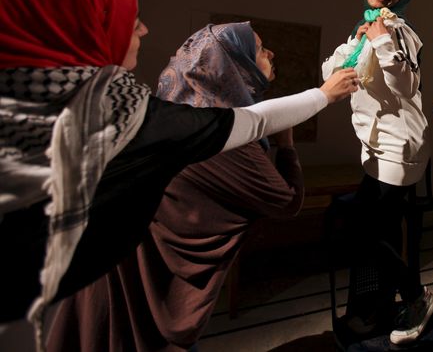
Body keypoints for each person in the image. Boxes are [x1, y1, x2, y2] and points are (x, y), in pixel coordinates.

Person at [0, 0, 358, 348]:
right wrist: (319, 102)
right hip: (110, 292)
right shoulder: (144, 121)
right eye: (130, 19)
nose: (144, 29)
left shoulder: (118, 103)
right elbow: (274, 174)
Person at [45, 21, 321, 351]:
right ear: (236, 64)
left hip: (112, 258)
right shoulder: (222, 135)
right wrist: (287, 145)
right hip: (144, 281)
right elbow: (285, 200)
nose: (271, 53)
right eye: (260, 49)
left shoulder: (181, 107)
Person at [321, 0, 433, 345]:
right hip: (374, 148)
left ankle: (417, 296)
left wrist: (383, 36)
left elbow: (406, 84)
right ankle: (381, 312)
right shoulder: (363, 30)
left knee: (367, 234)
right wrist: (361, 39)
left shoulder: (400, 30)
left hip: (398, 147)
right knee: (378, 235)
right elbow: (331, 75)